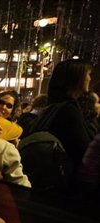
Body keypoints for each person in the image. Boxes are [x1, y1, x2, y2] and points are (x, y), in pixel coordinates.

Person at [27, 59, 93, 187]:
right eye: (88, 74)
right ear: (76, 77)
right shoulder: (69, 110)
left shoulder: (52, 108)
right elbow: (84, 152)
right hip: (63, 183)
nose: (90, 79)